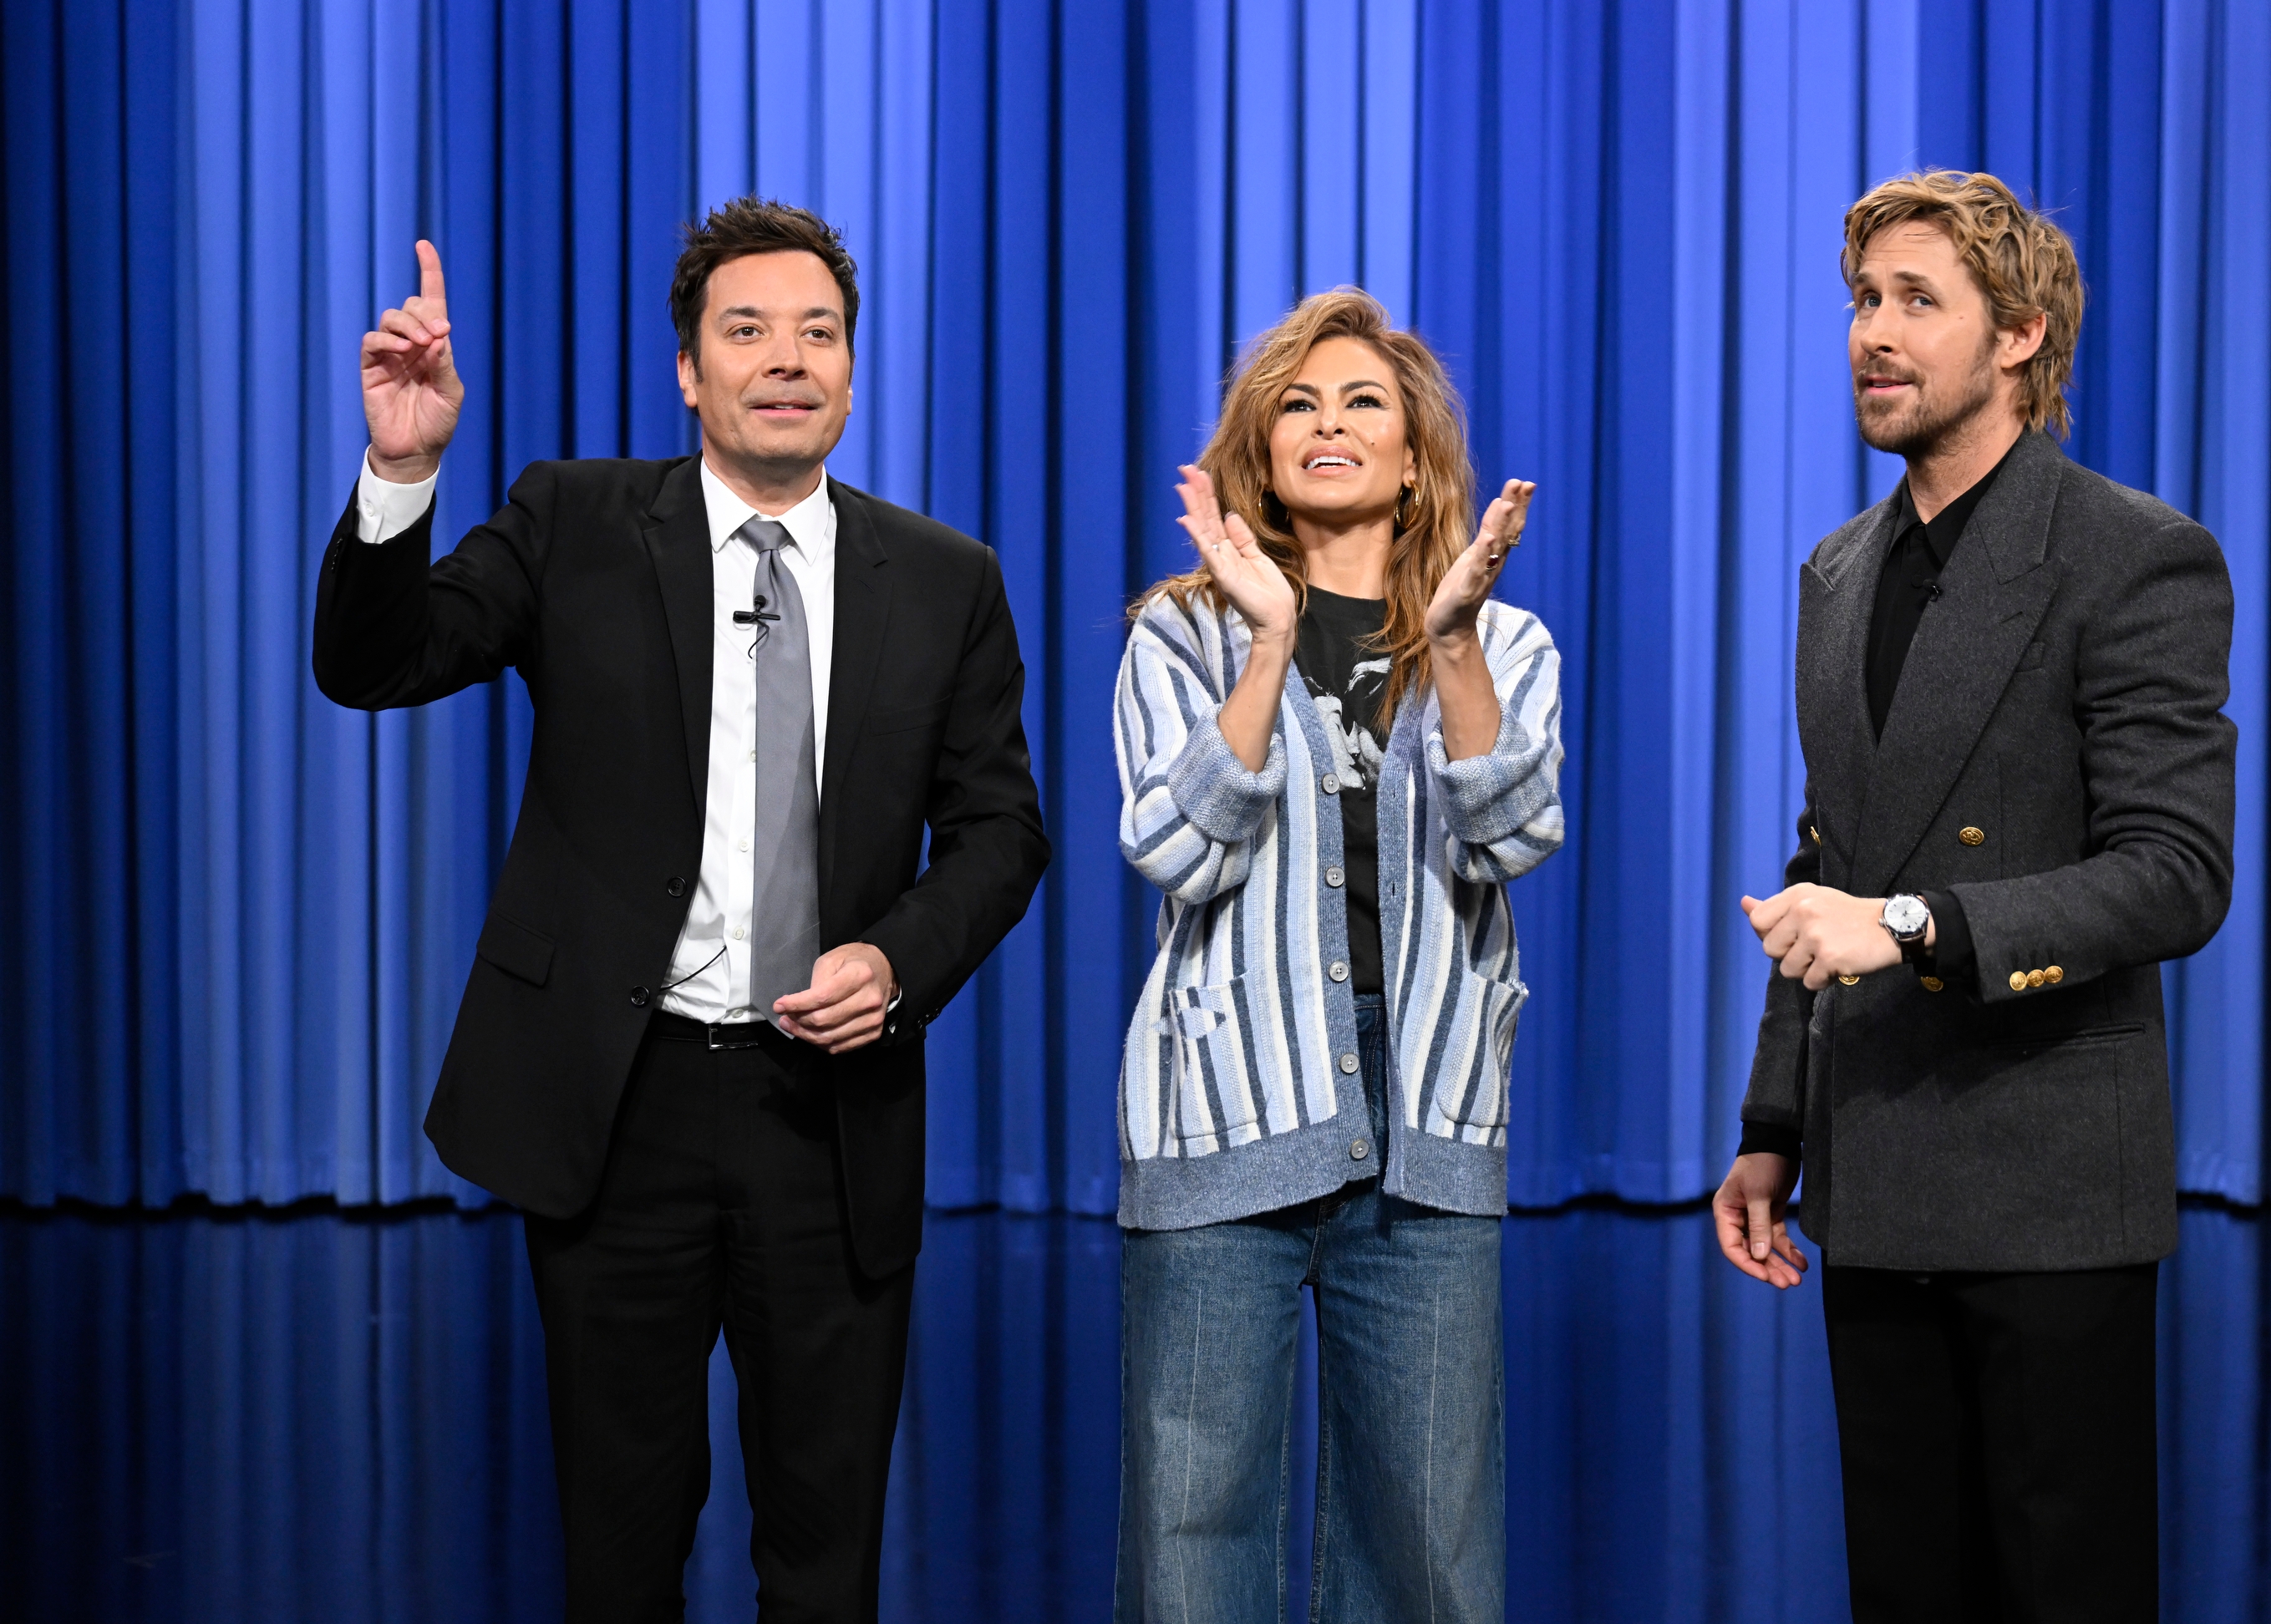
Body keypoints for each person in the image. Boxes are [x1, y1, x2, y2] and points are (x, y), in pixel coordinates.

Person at [312, 199, 1049, 1620]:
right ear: (690, 374)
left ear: (852, 374)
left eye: (818, 334)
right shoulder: (575, 521)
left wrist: (895, 962)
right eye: (748, 331)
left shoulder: (945, 579)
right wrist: (402, 472)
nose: (787, 359)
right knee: (621, 1550)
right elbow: (373, 664)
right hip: (617, 1103)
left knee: (825, 1561)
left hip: (827, 1115)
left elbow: (1002, 832)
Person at [1713, 170, 2234, 1621]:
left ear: (2018, 335)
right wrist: (1773, 1124)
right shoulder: (1837, 572)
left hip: (2050, 1181)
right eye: (1862, 301)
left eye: (1915, 302)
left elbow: (2177, 872)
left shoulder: (2134, 554)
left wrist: (1919, 927)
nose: (1873, 333)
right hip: (1875, 1165)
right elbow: (1835, 861)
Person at [1110, 287, 1563, 1623]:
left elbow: (1513, 837)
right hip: (1225, 1109)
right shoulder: (1183, 632)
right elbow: (1175, 850)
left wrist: (1456, 642)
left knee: (1428, 1543)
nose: (1331, 423)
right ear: (1263, 451)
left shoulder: (1506, 639)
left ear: (1415, 458)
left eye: (1365, 402)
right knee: (1193, 1533)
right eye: (1299, 404)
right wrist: (1266, 645)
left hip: (1425, 1118)